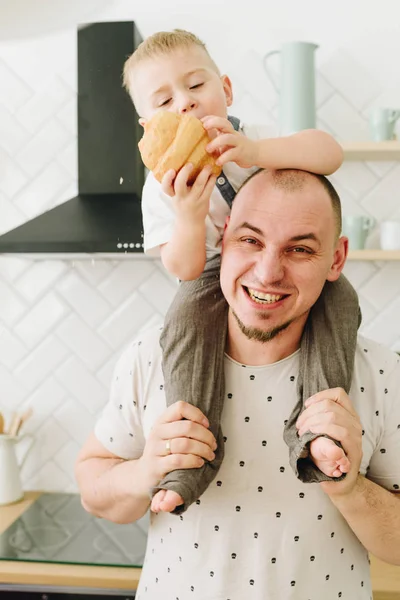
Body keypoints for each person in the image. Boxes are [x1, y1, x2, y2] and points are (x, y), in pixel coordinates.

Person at [75, 168, 400, 600]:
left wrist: (350, 487)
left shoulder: (381, 372)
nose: (268, 273)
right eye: (250, 240)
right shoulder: (152, 355)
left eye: (299, 249)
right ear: (224, 236)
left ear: (336, 259)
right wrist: (144, 471)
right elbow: (93, 490)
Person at [122, 28, 360, 515]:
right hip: (211, 273)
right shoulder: (160, 188)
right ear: (146, 124)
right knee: (184, 322)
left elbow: (328, 154)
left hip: (265, 261)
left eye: (195, 86)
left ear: (225, 90)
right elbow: (185, 269)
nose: (184, 105)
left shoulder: (250, 145)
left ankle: (319, 426)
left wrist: (255, 154)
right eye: (164, 99)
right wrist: (189, 214)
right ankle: (192, 457)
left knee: (343, 301)